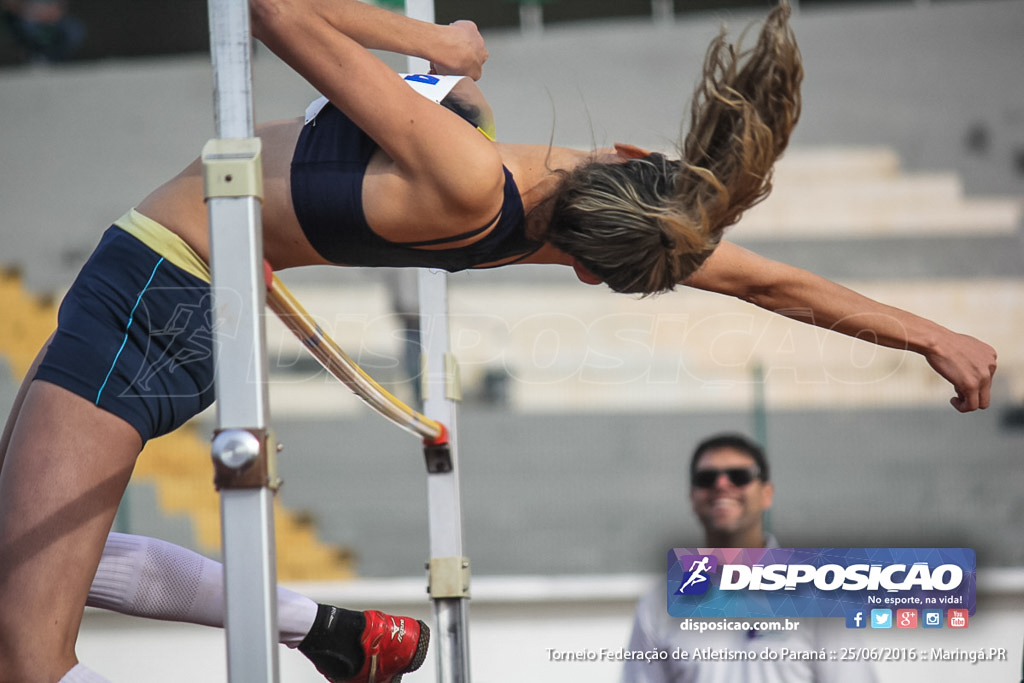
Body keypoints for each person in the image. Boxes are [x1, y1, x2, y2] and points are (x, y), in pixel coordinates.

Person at [0, 1, 997, 681]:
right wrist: (929, 335)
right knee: (17, 567)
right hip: (181, 296)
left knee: (26, 652)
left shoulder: (472, 170)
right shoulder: (538, 219)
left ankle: (329, 635)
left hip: (158, 286)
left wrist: (433, 37)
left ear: (621, 156)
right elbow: (769, 280)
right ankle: (333, 633)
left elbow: (268, 13)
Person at [621, 433, 878, 683]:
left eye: (739, 476)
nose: (721, 485)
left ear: (767, 494)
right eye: (706, 478)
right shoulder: (658, 604)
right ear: (692, 497)